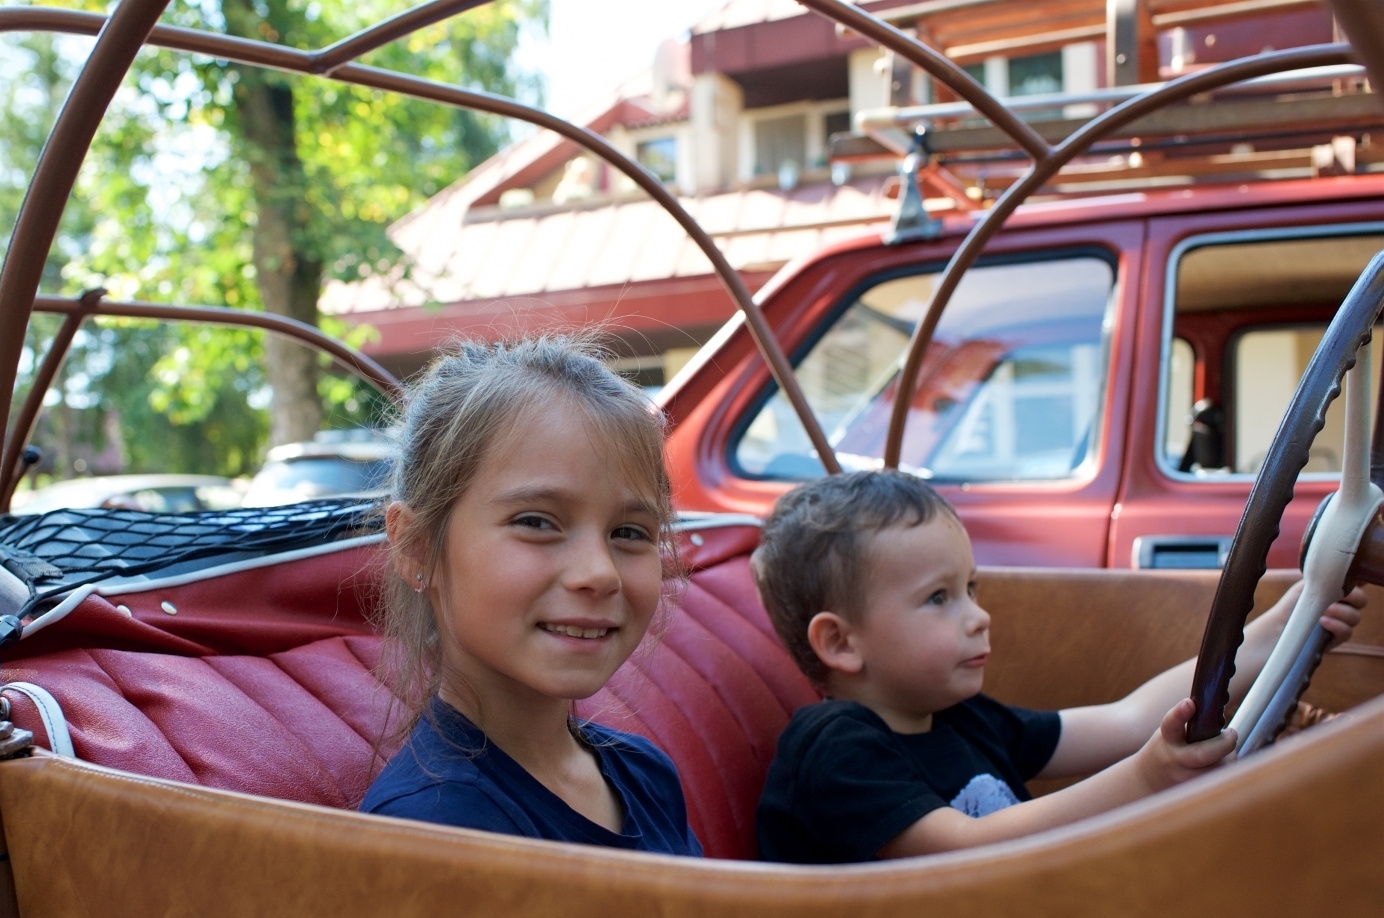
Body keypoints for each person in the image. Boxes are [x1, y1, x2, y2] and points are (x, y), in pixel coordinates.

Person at [751, 469, 1364, 864]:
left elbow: (1126, 722)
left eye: (970, 588)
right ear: (841, 643)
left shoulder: (957, 718)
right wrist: (1146, 778)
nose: (979, 616)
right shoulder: (836, 749)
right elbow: (966, 849)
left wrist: (1266, 637)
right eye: (939, 598)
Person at [359, 336, 701, 856]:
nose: (599, 573)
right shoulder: (432, 833)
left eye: (630, 532)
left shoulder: (645, 773)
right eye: (537, 522)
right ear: (417, 547)